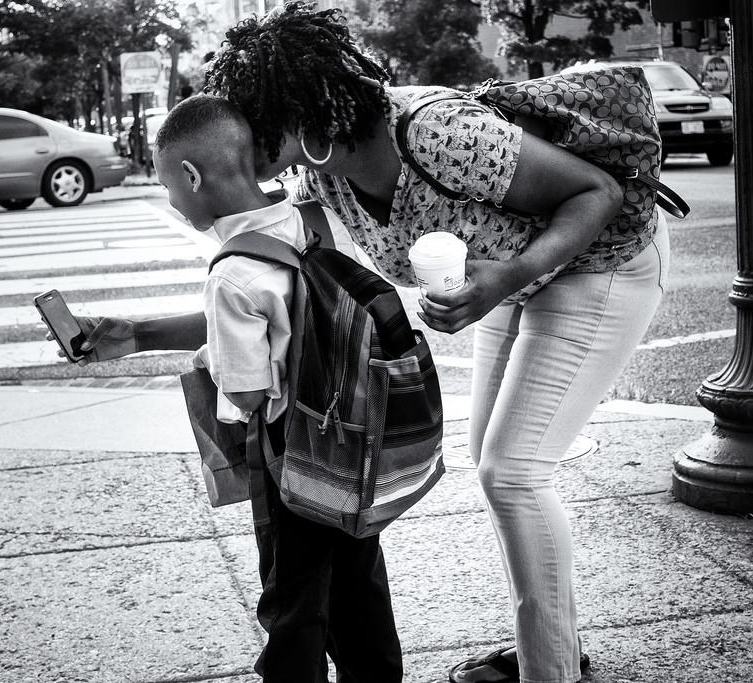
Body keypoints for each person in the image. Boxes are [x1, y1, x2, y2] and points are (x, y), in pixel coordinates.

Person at [61, 4, 669, 682]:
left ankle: (549, 670)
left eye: (253, 121)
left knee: (513, 469)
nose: (242, 140)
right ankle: (551, 641)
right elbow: (286, 296)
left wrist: (503, 281)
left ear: (293, 113)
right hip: (513, 277)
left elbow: (599, 190)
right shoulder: (319, 180)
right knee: (495, 463)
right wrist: (139, 333)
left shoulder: (432, 132)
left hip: (600, 260)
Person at [157, 93, 407, 682]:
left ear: (191, 177)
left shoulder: (230, 274)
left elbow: (245, 393)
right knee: (359, 578)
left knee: (293, 596)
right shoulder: (313, 218)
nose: (170, 198)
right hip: (351, 439)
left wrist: (210, 356)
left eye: (168, 186)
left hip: (290, 454)